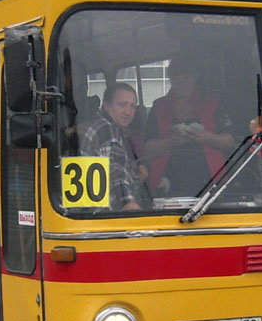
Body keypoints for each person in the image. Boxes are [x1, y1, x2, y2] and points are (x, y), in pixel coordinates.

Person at [142, 57, 235, 197]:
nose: (181, 84)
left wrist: (206, 137)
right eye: (176, 79)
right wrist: (169, 142)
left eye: (186, 78)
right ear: (170, 79)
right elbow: (146, 150)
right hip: (167, 181)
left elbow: (230, 142)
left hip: (211, 179)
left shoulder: (213, 103)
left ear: (195, 78)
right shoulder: (159, 107)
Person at [80, 82, 147, 211]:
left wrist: (135, 174)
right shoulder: (107, 130)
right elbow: (115, 171)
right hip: (107, 213)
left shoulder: (107, 126)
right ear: (106, 106)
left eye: (132, 106)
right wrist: (128, 202)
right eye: (122, 105)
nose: (128, 112)